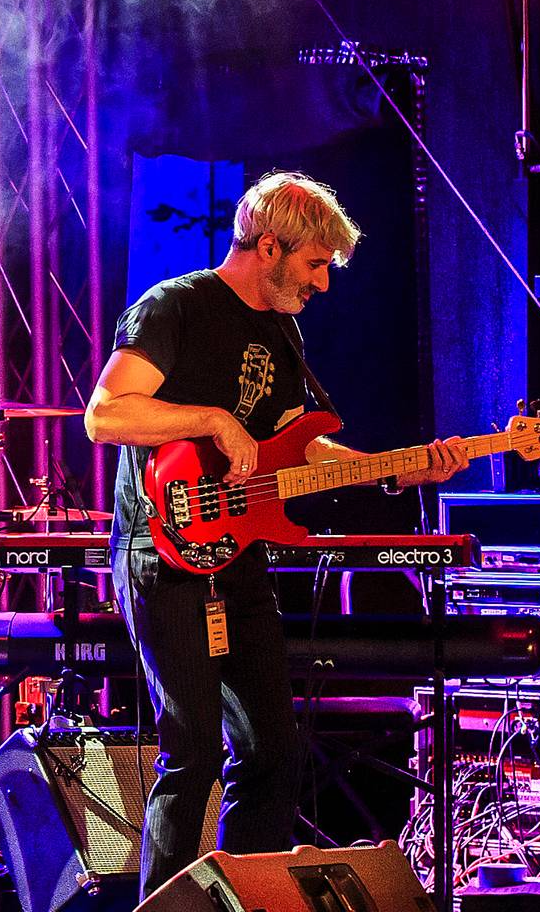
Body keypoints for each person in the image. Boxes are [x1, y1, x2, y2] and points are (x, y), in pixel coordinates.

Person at [83, 171, 473, 893]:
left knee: (270, 751)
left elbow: (301, 450)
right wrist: (212, 418)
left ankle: (240, 899)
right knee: (191, 751)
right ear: (268, 246)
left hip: (238, 557)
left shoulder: (280, 330)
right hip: (162, 554)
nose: (323, 283)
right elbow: (105, 416)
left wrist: (397, 469)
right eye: (315, 264)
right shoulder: (175, 307)